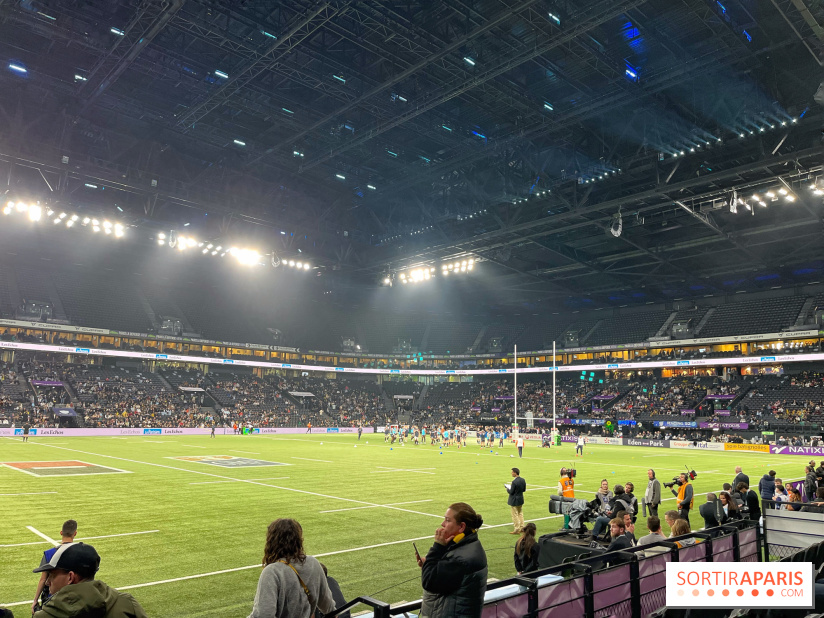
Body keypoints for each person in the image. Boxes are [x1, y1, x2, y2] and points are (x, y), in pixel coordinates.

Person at [248, 519, 335, 618]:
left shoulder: (272, 572)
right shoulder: (313, 563)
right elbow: (328, 606)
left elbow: (264, 614)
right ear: (298, 539)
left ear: (271, 541)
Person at [32, 542, 147, 618]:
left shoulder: (43, 616)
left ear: (70, 577)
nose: (47, 581)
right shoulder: (127, 604)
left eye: (52, 575)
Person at [418, 502, 487, 618]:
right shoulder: (467, 545)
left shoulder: (461, 559)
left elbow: (429, 582)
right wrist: (429, 563)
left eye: (447, 520)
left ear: (461, 527)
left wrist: (437, 547)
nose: (442, 524)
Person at [33, 520, 78, 613]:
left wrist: (35, 600)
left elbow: (43, 579)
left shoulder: (49, 554)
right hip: (72, 598)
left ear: (61, 533)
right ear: (75, 533)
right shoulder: (80, 553)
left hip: (52, 598)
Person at [506, 468, 526, 535]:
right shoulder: (523, 480)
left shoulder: (514, 482)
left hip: (514, 500)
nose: (511, 473)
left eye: (512, 472)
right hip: (520, 499)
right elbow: (524, 490)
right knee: (520, 513)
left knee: (515, 515)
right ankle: (522, 527)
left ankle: (516, 529)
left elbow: (511, 492)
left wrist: (507, 489)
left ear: (515, 473)